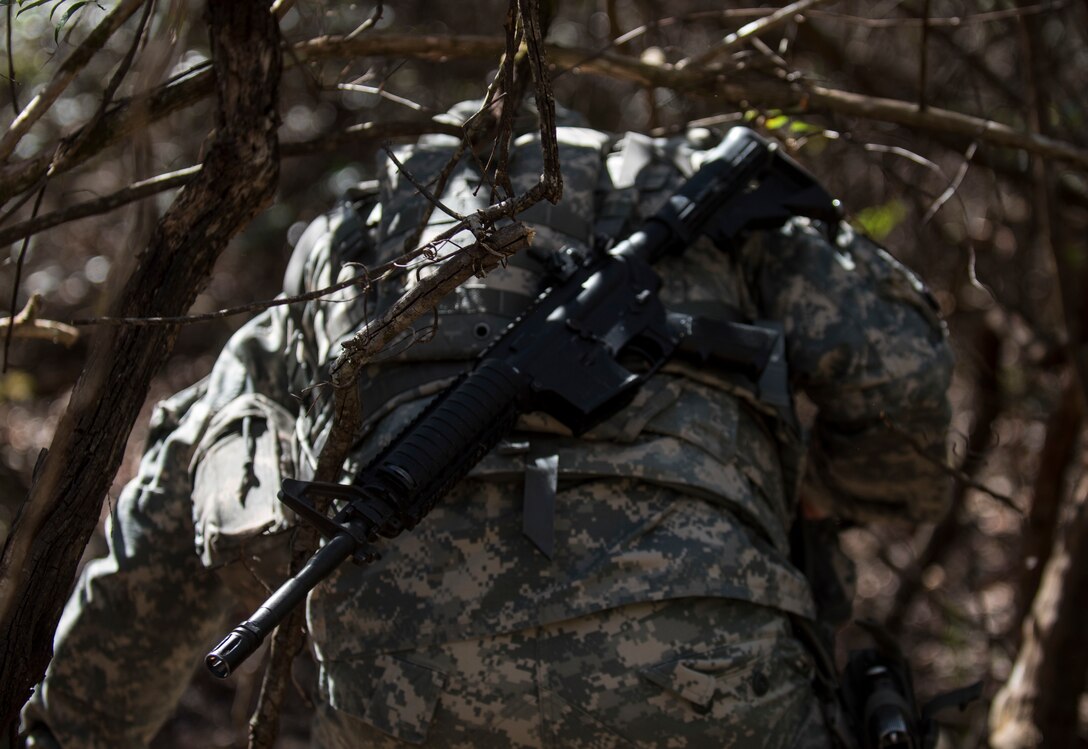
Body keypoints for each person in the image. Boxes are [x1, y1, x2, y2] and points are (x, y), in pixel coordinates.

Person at [21, 101, 954, 748]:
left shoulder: (357, 240)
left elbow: (190, 478)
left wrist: (74, 733)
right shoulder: (675, 177)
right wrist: (833, 495)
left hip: (405, 704)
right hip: (719, 687)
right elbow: (900, 373)